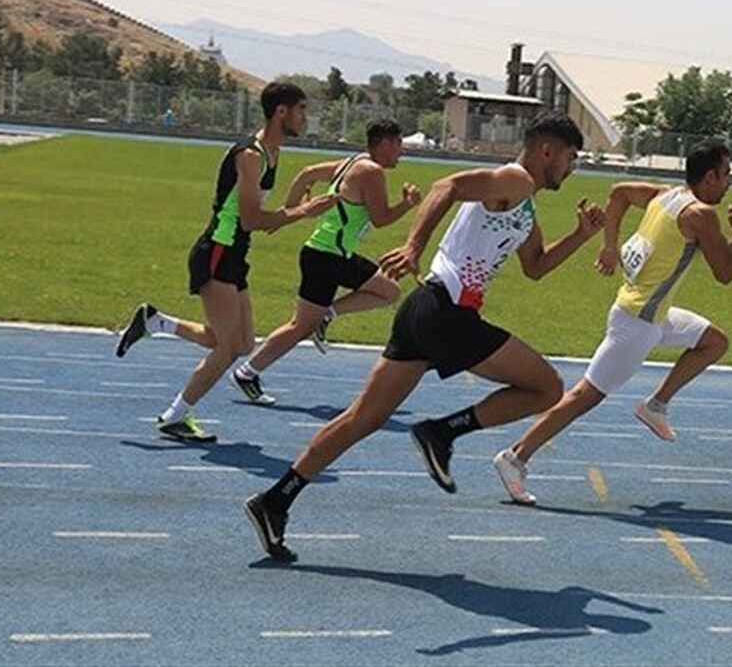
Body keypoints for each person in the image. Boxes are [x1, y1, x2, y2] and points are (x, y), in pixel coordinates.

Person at [243, 114, 605, 562]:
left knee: (362, 418)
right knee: (547, 387)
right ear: (547, 151)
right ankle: (441, 432)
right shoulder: (513, 178)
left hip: (423, 310)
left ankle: (275, 500)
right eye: (571, 158)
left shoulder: (524, 205)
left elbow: (535, 267)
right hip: (447, 312)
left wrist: (582, 236)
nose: (572, 169)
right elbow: (445, 187)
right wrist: (414, 245)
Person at [491, 140, 732, 506]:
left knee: (714, 341)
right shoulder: (699, 215)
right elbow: (726, 272)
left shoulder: (666, 195)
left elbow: (618, 194)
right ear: (709, 177)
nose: (730, 183)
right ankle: (515, 457)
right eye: (727, 175)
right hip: (638, 322)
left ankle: (656, 404)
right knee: (585, 395)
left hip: (653, 315)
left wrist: (610, 245)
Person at [114, 82, 335, 444]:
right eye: (301, 109)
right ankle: (175, 416)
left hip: (234, 253)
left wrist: (293, 214)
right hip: (218, 251)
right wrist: (304, 211)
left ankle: (155, 321)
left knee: (242, 342)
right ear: (281, 112)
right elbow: (250, 219)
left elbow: (256, 222)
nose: (304, 117)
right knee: (228, 347)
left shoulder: (270, 153)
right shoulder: (251, 155)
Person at [229, 119, 422, 403]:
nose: (401, 152)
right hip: (325, 256)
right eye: (398, 145)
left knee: (389, 290)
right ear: (383, 143)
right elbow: (381, 220)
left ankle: (327, 315)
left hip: (337, 254)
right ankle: (246, 372)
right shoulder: (370, 171)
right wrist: (407, 204)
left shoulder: (351, 162)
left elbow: (306, 174)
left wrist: (289, 211)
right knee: (300, 326)